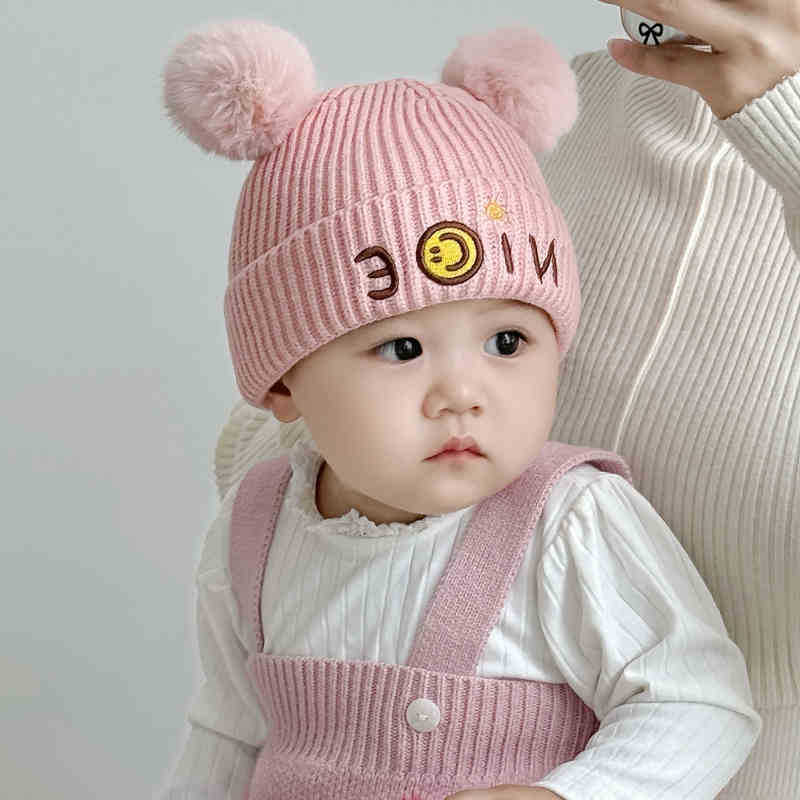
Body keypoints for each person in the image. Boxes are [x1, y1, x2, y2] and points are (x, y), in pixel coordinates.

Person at [157, 17, 764, 800]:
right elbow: (228, 732)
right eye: (402, 349)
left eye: (507, 341)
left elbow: (699, 701)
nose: (462, 393)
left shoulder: (568, 522)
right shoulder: (254, 529)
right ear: (282, 382)